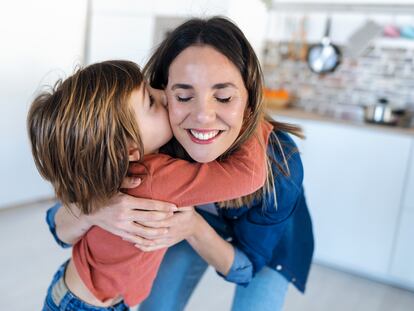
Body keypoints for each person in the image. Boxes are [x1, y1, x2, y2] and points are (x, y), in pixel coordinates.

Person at [46, 17, 314, 311]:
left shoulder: (280, 164)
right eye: (183, 95)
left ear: (250, 98)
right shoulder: (149, 138)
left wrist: (193, 227)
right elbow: (57, 222)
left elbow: (245, 267)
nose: (202, 116)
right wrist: (98, 210)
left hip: (262, 246)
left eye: (224, 97)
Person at [28, 60, 274, 310]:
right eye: (150, 102)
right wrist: (247, 111)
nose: (164, 94)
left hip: (77, 291)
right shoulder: (154, 178)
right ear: (131, 149)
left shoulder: (108, 170)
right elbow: (248, 174)